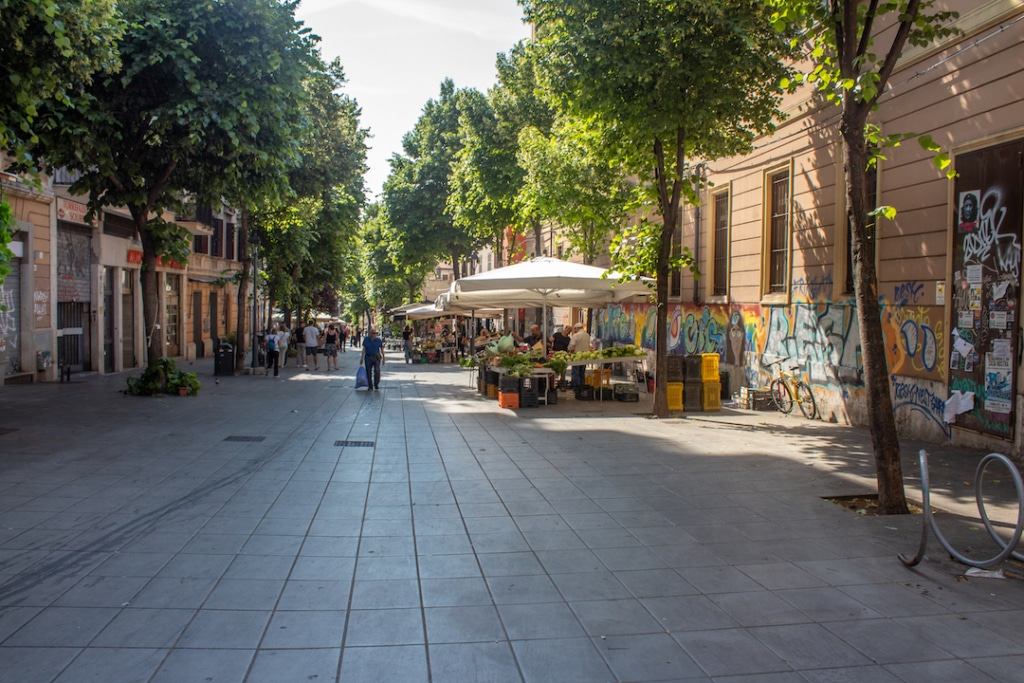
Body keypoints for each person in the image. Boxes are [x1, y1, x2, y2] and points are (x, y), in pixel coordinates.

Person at [568, 323, 592, 388]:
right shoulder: (587, 335)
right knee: (582, 372)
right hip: (585, 356)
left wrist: (569, 351)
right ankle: (582, 386)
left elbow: (572, 346)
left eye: (574, 329)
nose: (574, 330)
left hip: (577, 356)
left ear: (577, 328)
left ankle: (576, 386)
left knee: (575, 372)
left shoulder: (576, 335)